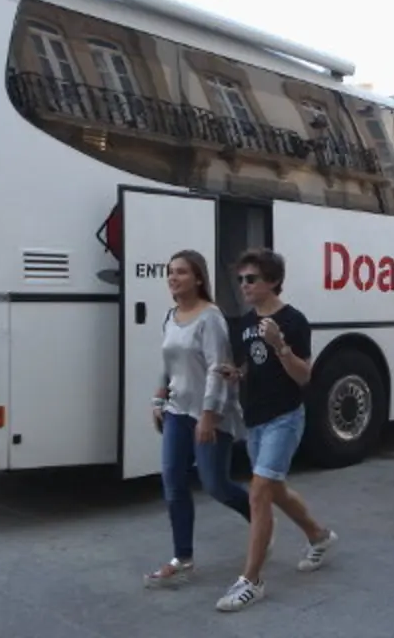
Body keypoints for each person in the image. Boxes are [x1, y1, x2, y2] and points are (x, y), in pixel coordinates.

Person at [215, 249, 336, 612]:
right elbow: (251, 367)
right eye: (241, 280)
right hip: (255, 419)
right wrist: (236, 375)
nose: (244, 286)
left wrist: (280, 345)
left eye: (251, 279)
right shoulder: (244, 323)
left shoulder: (293, 320)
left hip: (285, 417)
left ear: (271, 281)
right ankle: (319, 535)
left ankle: (251, 581)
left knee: (259, 493)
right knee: (276, 490)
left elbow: (304, 376)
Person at [144, 250, 250, 590]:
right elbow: (168, 363)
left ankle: (260, 518)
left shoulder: (211, 318)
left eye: (181, 272)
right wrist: (159, 397)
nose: (173, 278)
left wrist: (208, 416)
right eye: (170, 272)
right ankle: (182, 558)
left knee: (215, 485)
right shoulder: (171, 316)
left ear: (199, 278)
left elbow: (217, 371)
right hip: (177, 411)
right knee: (173, 483)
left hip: (208, 413)